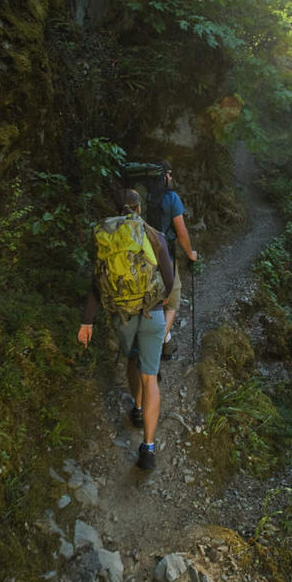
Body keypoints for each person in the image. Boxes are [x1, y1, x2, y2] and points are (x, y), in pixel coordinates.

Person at [78, 190, 174, 470]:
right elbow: (168, 281)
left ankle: (137, 408)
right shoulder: (152, 234)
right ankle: (148, 448)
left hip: (122, 316)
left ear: (117, 209)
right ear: (139, 208)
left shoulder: (106, 236)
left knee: (132, 359)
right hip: (153, 313)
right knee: (150, 378)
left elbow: (98, 283)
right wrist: (160, 296)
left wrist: (87, 321)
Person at [158, 160, 198, 360]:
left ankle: (166, 344)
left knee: (154, 301)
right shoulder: (171, 198)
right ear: (164, 175)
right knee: (172, 303)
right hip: (166, 257)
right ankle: (155, 347)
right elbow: (181, 231)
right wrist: (191, 253)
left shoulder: (140, 198)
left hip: (140, 258)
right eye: (170, 174)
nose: (171, 178)